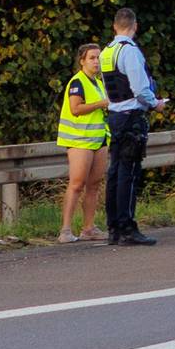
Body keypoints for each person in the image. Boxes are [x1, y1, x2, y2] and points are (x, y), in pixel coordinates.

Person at [101, 7, 167, 245]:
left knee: (115, 173)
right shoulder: (129, 52)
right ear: (135, 26)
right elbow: (139, 88)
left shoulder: (106, 52)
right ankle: (128, 228)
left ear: (114, 26)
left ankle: (114, 229)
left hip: (114, 115)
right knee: (128, 173)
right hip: (131, 116)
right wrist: (155, 103)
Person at [56, 42, 111, 243]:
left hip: (98, 138)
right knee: (77, 184)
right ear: (82, 61)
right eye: (92, 58)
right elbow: (75, 108)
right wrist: (101, 104)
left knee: (94, 184)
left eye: (98, 58)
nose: (96, 62)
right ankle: (65, 230)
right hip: (80, 140)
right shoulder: (77, 82)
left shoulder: (98, 83)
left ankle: (89, 228)